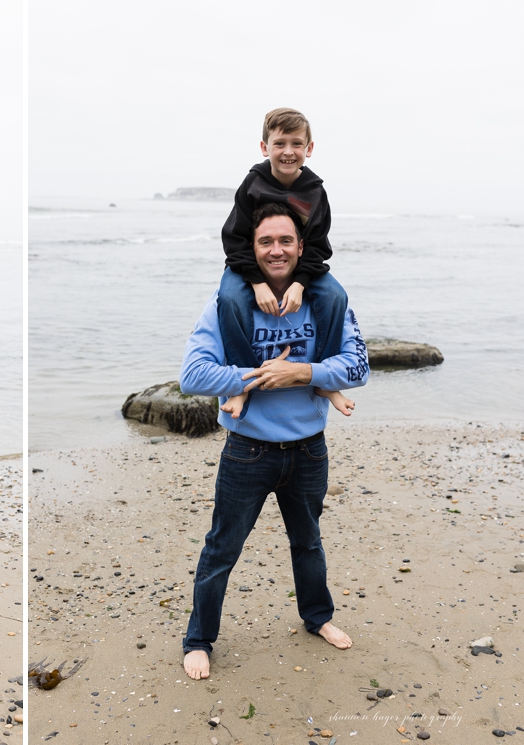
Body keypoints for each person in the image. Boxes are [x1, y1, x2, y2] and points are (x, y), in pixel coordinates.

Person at [180, 202, 370, 681]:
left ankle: (318, 618)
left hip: (309, 448)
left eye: (286, 240)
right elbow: (193, 375)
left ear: (301, 247)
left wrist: (303, 371)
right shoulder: (228, 307)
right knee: (221, 549)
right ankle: (198, 639)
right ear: (253, 248)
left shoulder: (326, 304)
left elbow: (359, 366)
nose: (276, 249)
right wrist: (265, 374)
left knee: (308, 542)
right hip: (248, 451)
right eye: (266, 241)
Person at [217, 108, 354, 420]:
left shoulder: (316, 191)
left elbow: (318, 245)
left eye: (297, 144)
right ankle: (243, 381)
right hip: (250, 267)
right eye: (279, 143)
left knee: (335, 297)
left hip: (301, 269)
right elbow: (235, 239)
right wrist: (256, 283)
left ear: (309, 148)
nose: (288, 152)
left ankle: (323, 379)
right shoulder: (252, 184)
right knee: (229, 298)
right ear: (265, 147)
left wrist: (299, 283)